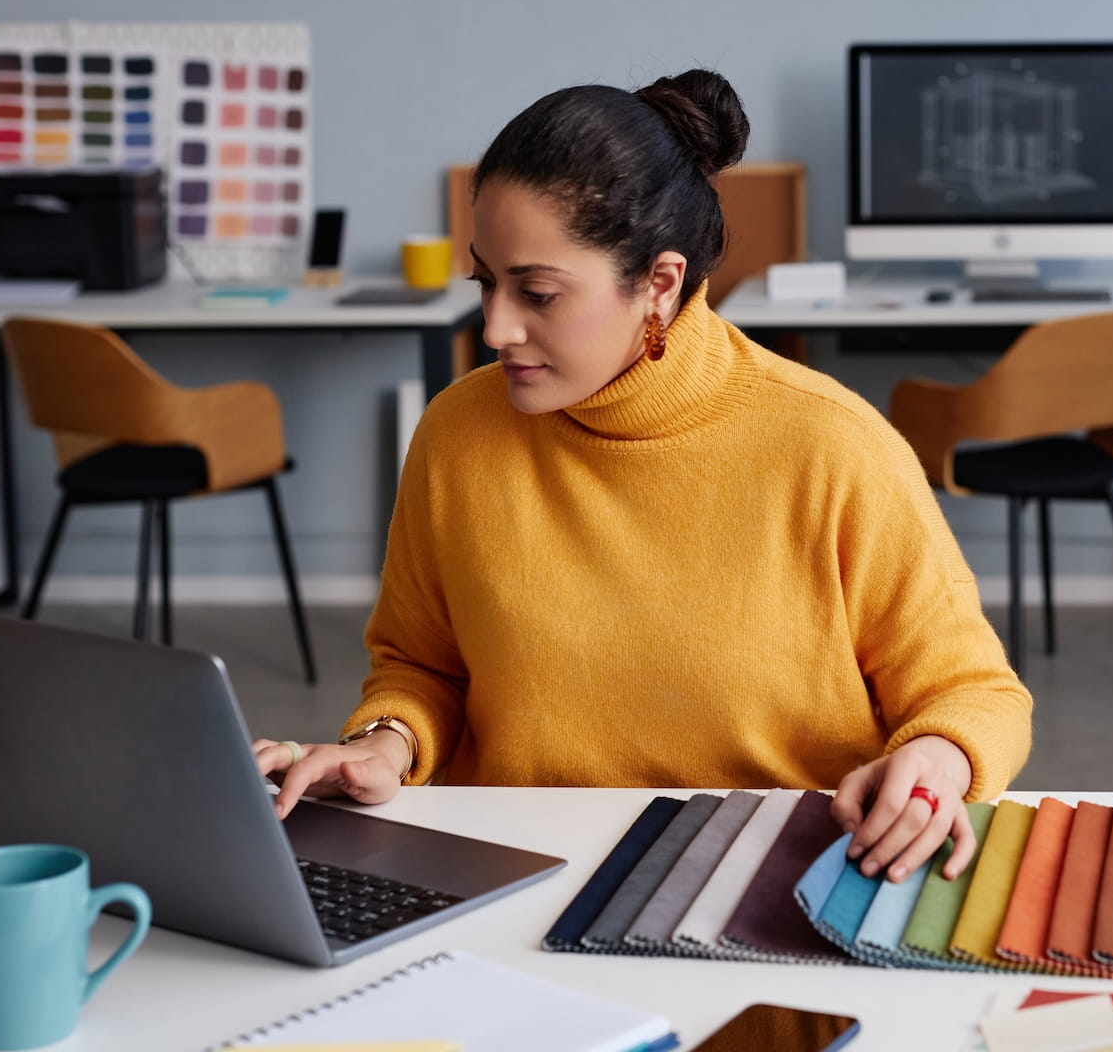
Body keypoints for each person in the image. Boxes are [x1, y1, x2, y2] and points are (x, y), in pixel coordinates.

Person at [254, 70, 1031, 883]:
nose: (494, 327)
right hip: (521, 878)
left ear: (658, 284)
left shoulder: (833, 446)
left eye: (538, 293)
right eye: (485, 281)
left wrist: (939, 759)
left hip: (776, 883)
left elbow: (974, 692)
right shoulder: (459, 433)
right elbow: (424, 665)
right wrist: (385, 744)